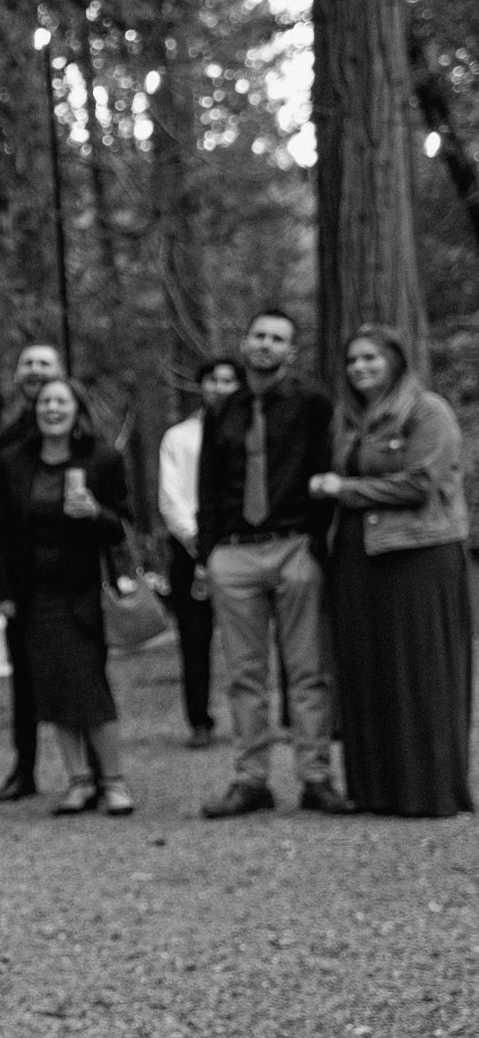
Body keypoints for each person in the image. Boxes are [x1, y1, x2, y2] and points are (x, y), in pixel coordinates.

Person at [313, 324, 472, 817]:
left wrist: (344, 490)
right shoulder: (349, 419)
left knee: (420, 671)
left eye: (371, 358)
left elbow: (421, 484)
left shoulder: (428, 411)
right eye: (352, 360)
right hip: (359, 558)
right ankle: (375, 790)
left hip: (420, 556)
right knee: (369, 671)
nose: (359, 368)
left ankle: (429, 791)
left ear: (396, 361)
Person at [197, 308, 345, 818]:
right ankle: (251, 778)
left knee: (307, 671)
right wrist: (210, 552)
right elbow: (208, 485)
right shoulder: (222, 409)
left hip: (293, 547)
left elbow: (328, 469)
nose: (265, 344)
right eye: (258, 334)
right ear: (244, 343)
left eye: (277, 338)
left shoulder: (312, 405)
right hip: (234, 553)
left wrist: (315, 544)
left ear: (291, 351)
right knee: (245, 674)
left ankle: (316, 776)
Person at [0, 380, 135, 815]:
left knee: (89, 684)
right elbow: (4, 535)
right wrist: (2, 592)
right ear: (35, 411)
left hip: (84, 589)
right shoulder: (14, 462)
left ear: (77, 411)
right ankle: (78, 780)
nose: (52, 408)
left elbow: (123, 525)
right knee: (51, 686)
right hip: (34, 593)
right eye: (45, 402)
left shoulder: (103, 459)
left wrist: (95, 512)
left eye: (61, 402)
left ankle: (114, 780)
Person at [0, 343, 66, 801]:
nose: (35, 371)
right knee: (24, 678)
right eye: (27, 363)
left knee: (79, 669)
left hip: (69, 570)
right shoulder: (3, 443)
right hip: (23, 575)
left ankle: (94, 768)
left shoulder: (83, 434)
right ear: (17, 376)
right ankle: (24, 767)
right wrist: (1, 588)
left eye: (44, 364)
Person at [157, 358, 242, 750]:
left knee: (248, 637)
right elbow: (170, 497)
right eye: (213, 379)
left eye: (229, 380)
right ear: (201, 385)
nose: (221, 387)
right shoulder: (179, 437)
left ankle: (256, 717)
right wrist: (196, 541)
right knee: (194, 638)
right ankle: (199, 719)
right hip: (191, 547)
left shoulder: (250, 430)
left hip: (240, 544)